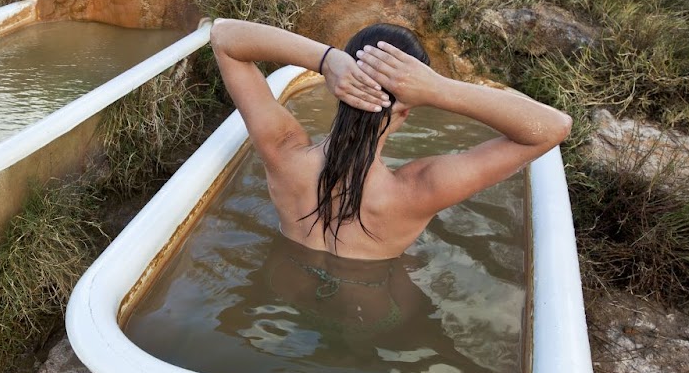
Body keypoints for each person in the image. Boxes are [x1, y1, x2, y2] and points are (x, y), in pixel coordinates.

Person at [208, 18, 573, 261]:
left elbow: (224, 37)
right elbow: (552, 127)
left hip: (286, 296)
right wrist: (440, 89)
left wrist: (325, 59)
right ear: (408, 109)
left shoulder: (283, 153)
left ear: (336, 88)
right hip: (370, 321)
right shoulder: (417, 192)